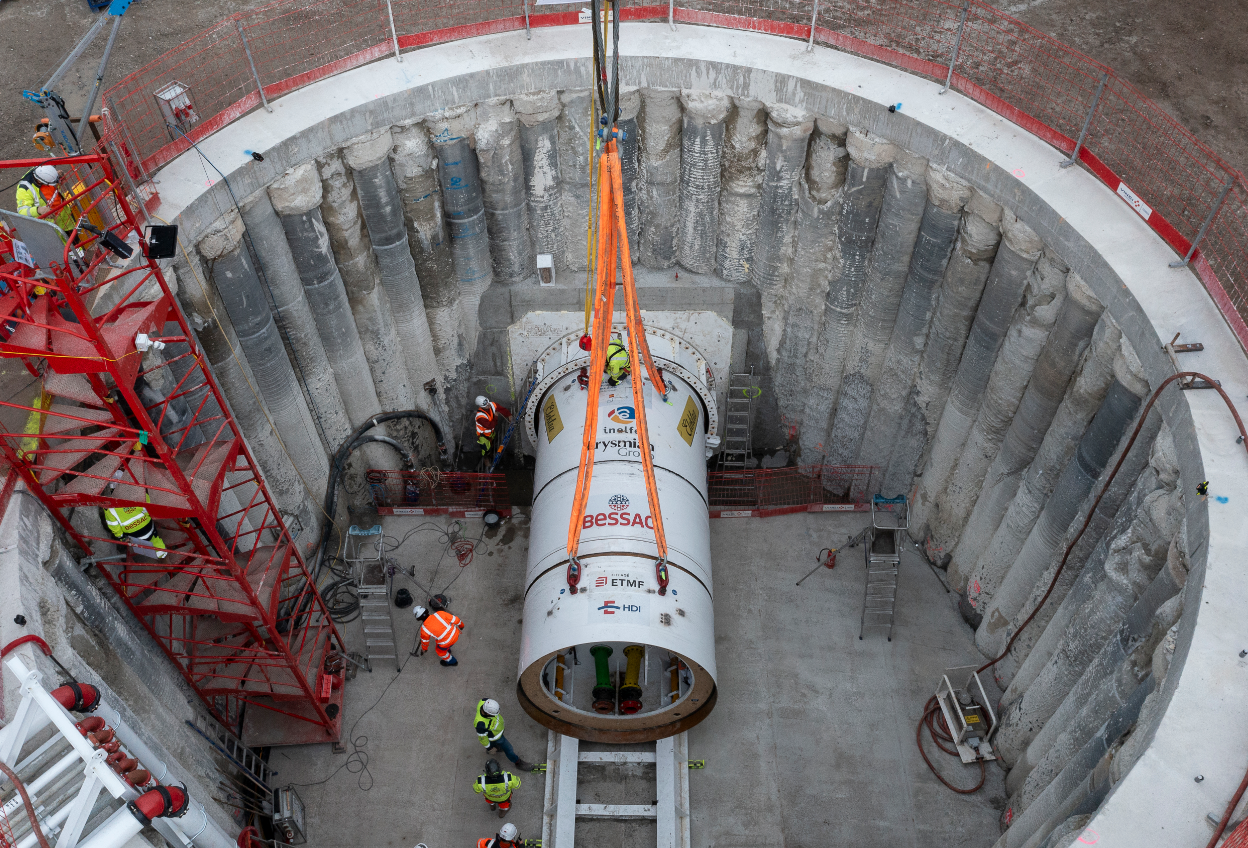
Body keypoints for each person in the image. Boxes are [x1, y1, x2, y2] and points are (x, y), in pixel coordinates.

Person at [475, 698, 535, 772]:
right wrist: (489, 748)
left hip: (496, 733)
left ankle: (495, 747)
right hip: (497, 737)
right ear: (487, 713)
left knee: (494, 745)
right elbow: (482, 738)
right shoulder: (480, 724)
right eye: (493, 714)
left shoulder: (483, 702)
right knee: (509, 749)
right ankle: (518, 762)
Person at [16, 164, 76, 235]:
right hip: (50, 226)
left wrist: (55, 176)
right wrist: (38, 210)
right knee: (63, 244)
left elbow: (50, 179)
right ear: (40, 181)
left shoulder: (42, 170)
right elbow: (22, 211)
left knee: (75, 240)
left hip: (65, 215)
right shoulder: (24, 189)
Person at [414, 595, 464, 666]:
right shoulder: (439, 614)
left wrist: (424, 649)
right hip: (456, 634)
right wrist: (461, 625)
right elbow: (455, 619)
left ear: (418, 619)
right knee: (442, 643)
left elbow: (425, 641)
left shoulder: (424, 629)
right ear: (427, 611)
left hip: (446, 642)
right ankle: (447, 649)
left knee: (440, 651)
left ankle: (452, 661)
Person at [474, 396, 510, 462]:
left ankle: (490, 454)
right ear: (481, 406)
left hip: (491, 433)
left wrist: (509, 415)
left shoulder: (492, 405)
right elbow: (490, 425)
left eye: (488, 402)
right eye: (486, 404)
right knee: (485, 448)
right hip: (483, 435)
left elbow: (501, 409)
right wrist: (496, 416)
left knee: (492, 444)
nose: (488, 404)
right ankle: (486, 459)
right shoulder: (480, 416)